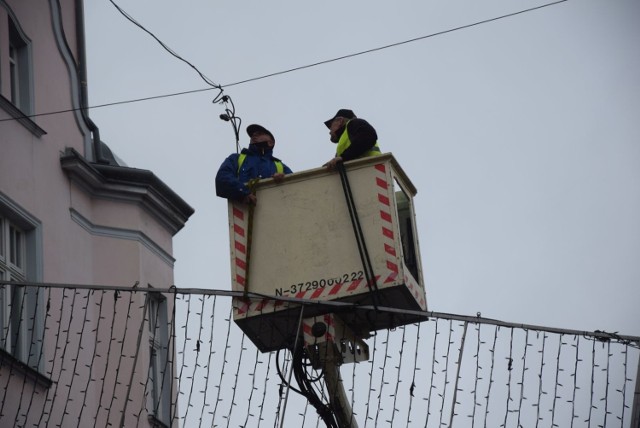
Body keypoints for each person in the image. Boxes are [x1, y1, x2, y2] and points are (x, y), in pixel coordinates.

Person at [216, 124, 292, 204]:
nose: (254, 135)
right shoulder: (236, 158)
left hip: (275, 209)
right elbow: (222, 178)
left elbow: (296, 185)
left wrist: (284, 178)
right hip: (244, 211)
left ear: (270, 142)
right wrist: (243, 193)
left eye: (259, 133)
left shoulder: (279, 165)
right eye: (253, 134)